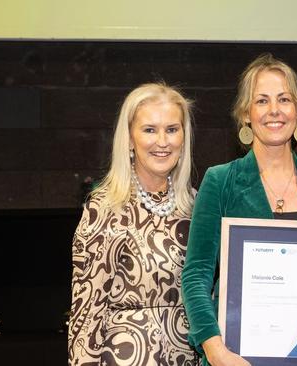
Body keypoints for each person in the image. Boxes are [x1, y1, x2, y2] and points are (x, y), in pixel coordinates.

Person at [182, 53, 297, 366]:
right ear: (246, 114)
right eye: (262, 101)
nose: (274, 111)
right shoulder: (221, 181)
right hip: (237, 356)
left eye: (284, 99)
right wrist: (214, 350)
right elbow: (196, 275)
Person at [68, 83, 198, 365]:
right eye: (149, 129)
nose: (162, 141)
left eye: (172, 129)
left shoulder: (197, 207)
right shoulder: (104, 209)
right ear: (129, 139)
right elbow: (86, 315)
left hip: (187, 357)